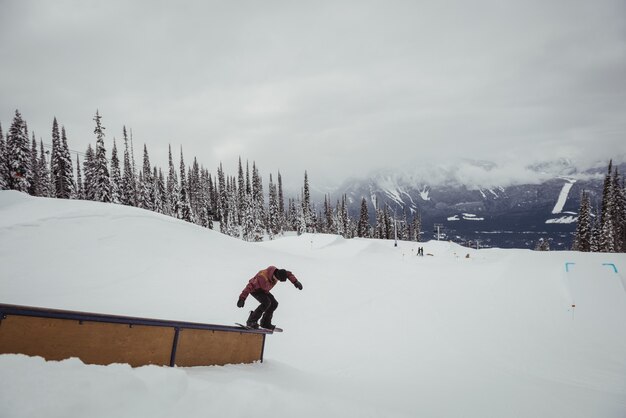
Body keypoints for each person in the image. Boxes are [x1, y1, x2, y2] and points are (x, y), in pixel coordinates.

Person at [237, 266, 303, 330]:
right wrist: (242, 298)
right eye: (277, 279)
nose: (277, 281)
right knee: (266, 302)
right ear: (275, 275)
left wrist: (295, 282)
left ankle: (265, 323)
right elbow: (250, 286)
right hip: (255, 290)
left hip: (264, 291)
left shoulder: (278, 272)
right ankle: (251, 321)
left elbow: (288, 274)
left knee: (274, 303)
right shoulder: (262, 277)